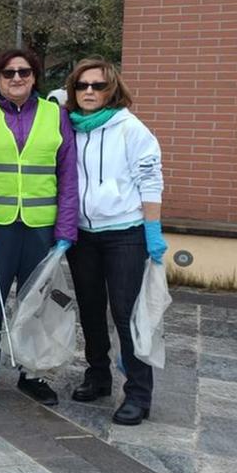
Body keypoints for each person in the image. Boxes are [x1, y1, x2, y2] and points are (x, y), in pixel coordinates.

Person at [0, 48, 79, 405]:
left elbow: (69, 175)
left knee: (37, 304)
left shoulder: (56, 116)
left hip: (41, 228)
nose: (17, 78)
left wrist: (66, 231)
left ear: (35, 76)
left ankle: (32, 372)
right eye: (8, 73)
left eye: (24, 72)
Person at [63, 58, 165, 426]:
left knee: (125, 313)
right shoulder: (70, 127)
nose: (89, 91)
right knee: (90, 308)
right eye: (82, 85)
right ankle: (98, 375)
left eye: (98, 85)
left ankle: (139, 392)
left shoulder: (131, 128)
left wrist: (152, 231)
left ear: (113, 90)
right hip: (82, 235)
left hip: (124, 234)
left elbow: (151, 180)